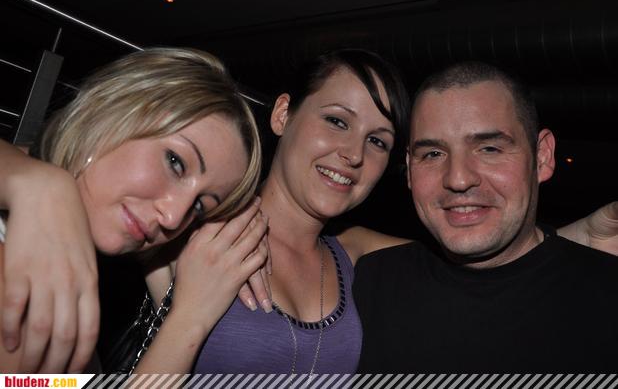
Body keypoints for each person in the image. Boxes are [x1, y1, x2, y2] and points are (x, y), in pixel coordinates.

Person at [2, 50, 617, 373]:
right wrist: (40, 183)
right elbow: (76, 172)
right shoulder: (195, 222)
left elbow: (474, 253)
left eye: (378, 141)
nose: (352, 153)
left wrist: (575, 239)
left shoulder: (355, 252)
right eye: (336, 121)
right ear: (283, 114)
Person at [0, 47, 268, 372]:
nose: (174, 217)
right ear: (113, 111)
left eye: (199, 206)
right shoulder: (24, 278)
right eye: (175, 162)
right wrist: (190, 320)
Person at [353, 61, 618, 372]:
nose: (458, 179)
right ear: (410, 169)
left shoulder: (607, 296)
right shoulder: (363, 287)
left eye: (489, 148)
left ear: (542, 157)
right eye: (433, 154)